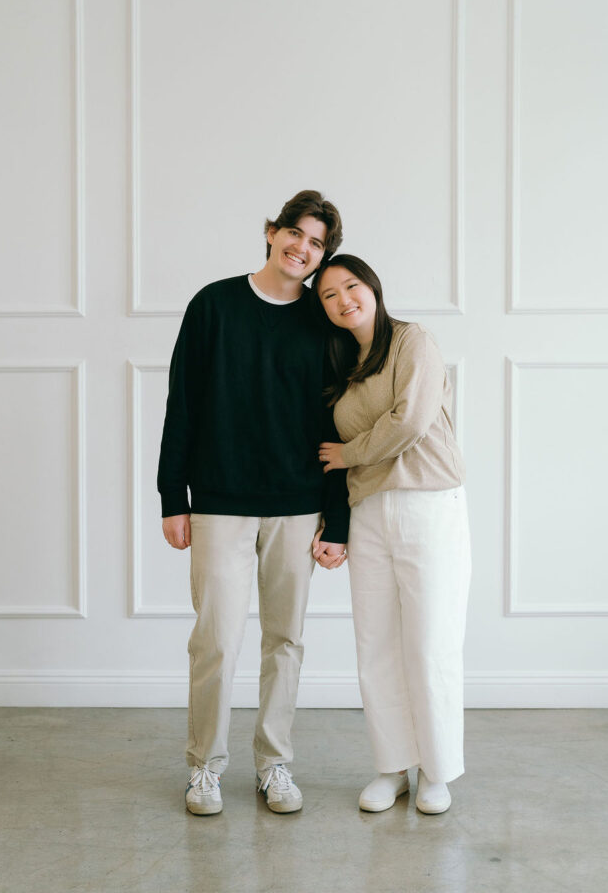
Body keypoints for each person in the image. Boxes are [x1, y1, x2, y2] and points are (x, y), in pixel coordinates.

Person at [157, 191, 350, 817]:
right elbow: (181, 404)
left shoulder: (324, 324)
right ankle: (204, 769)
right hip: (218, 502)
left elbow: (337, 426)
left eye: (317, 243)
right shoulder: (213, 305)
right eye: (295, 233)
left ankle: (274, 765)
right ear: (271, 232)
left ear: (324, 255)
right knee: (214, 639)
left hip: (297, 505)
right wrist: (172, 498)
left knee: (285, 639)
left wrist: (336, 518)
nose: (303, 248)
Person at [312, 254, 471, 815]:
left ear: (372, 287)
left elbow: (408, 423)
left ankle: (435, 771)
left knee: (430, 643)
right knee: (376, 645)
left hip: (429, 504)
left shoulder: (413, 341)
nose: (343, 300)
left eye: (350, 287)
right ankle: (391, 767)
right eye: (329, 295)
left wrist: (350, 453)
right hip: (370, 512)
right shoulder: (341, 365)